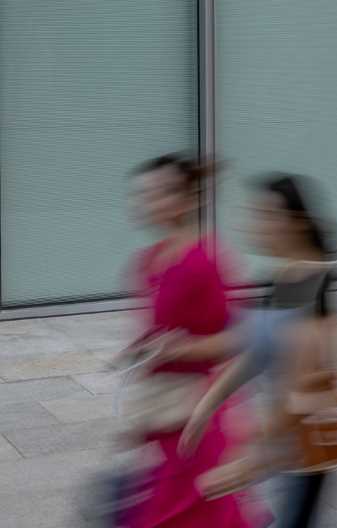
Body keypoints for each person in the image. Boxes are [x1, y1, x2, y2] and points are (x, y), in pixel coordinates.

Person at [180, 176, 337, 526]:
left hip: (305, 450)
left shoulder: (316, 286)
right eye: (255, 213)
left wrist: (251, 462)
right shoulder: (285, 275)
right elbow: (259, 350)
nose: (256, 223)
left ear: (296, 223)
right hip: (281, 446)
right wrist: (208, 404)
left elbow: (304, 391)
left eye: (267, 214)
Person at [118, 154, 254, 528]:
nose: (147, 203)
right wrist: (140, 351)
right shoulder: (148, 260)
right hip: (164, 411)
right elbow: (160, 328)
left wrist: (181, 349)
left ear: (186, 198)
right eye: (143, 194)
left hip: (199, 415)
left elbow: (238, 340)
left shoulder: (205, 261)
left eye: (158, 193)